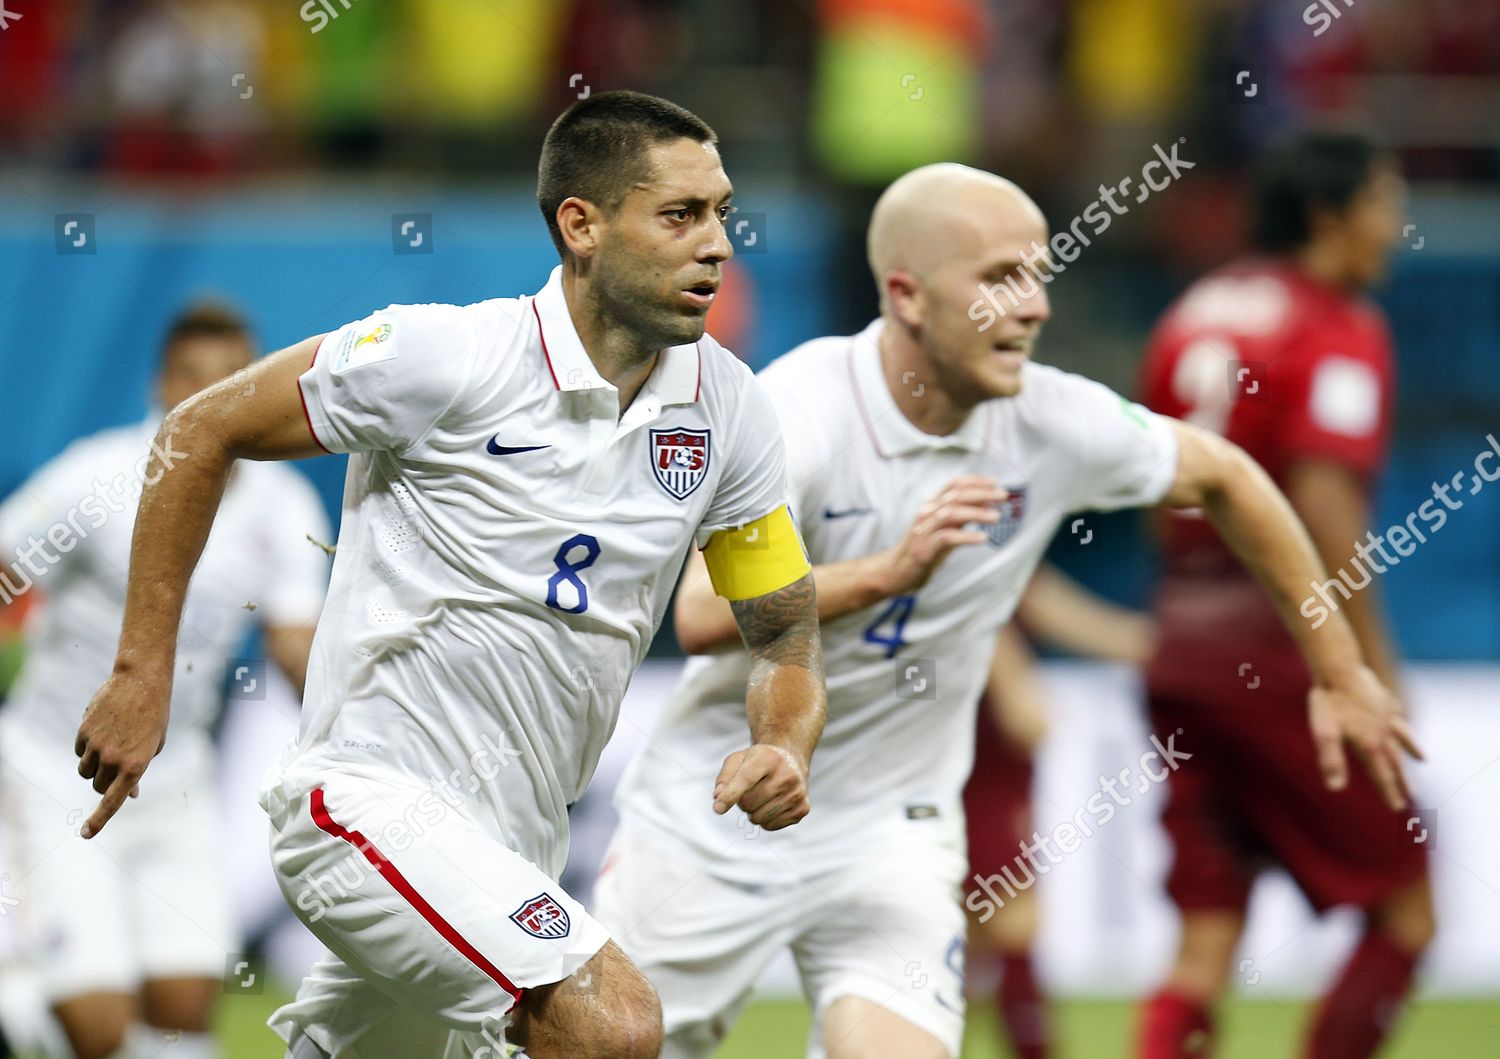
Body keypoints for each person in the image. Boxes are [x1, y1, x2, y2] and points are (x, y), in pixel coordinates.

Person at [593, 161, 1418, 1059]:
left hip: (892, 836)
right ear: (907, 295)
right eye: (999, 279)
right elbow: (705, 613)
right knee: (604, 1046)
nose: (1034, 307)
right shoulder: (801, 410)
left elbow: (1228, 474)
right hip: (718, 814)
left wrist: (1341, 671)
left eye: (1038, 276)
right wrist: (890, 570)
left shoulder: (1050, 419)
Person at [71, 91, 828, 1059]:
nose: (719, 243)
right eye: (681, 215)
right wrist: (143, 671)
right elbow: (198, 430)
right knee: (613, 1026)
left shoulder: (731, 413)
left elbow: (782, 631)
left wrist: (784, 742)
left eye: (723, 211)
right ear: (581, 225)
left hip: (510, 851)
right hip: (363, 806)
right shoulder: (446, 356)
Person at [1135, 131, 1432, 1059]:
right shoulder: (1337, 325)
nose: (1399, 225)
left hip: (1180, 640)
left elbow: (1153, 491)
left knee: (1206, 938)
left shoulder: (1196, 308)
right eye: (1385, 201)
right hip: (1276, 650)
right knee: (1408, 906)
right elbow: (1326, 503)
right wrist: (1368, 665)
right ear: (1328, 214)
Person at [0, 301, 330, 1059]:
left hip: (176, 778)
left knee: (184, 1010)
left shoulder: (281, 506)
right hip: (59, 769)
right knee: (100, 1026)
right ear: (161, 383)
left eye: (232, 379)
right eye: (194, 379)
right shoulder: (96, 474)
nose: (211, 396)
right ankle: (19, 1001)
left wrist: (358, 733)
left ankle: (21, 999)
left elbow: (295, 643)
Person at [962, 567, 1156, 1059]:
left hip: (987, 769)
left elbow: (1060, 610)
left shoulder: (1002, 560)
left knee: (967, 944)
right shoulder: (967, 569)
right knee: (1003, 924)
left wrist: (1176, 650)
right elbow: (1028, 719)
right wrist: (1010, 672)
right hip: (962, 766)